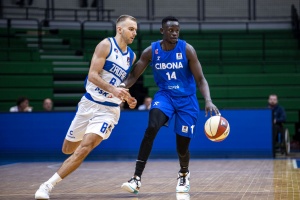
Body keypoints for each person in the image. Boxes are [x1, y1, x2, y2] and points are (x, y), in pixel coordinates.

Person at [34, 15, 138, 199]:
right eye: (131, 29)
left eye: (136, 30)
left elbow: (119, 84)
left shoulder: (131, 56)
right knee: (67, 149)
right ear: (120, 29)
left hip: (108, 111)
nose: (134, 33)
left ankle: (46, 186)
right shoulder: (105, 45)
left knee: (85, 148)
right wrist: (113, 89)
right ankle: (71, 159)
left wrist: (126, 96)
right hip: (89, 104)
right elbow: (92, 75)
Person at [121, 16, 219, 195]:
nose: (174, 33)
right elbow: (133, 76)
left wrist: (208, 100)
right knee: (151, 127)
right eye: (170, 30)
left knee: (182, 147)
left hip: (187, 100)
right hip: (165, 96)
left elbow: (200, 79)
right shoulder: (151, 51)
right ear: (162, 31)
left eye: (177, 30)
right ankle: (136, 178)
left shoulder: (187, 49)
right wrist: (120, 88)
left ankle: (183, 173)